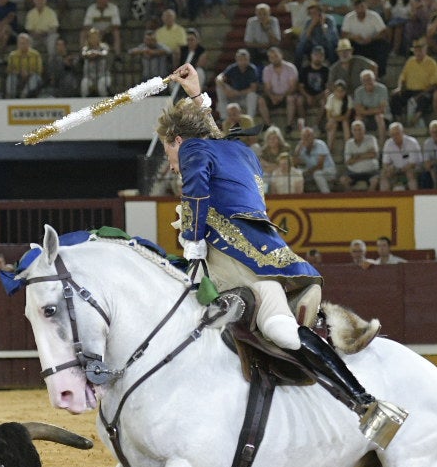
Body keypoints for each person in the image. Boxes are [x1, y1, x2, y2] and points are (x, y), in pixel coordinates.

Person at [161, 63, 405, 446]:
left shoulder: (192, 148)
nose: (170, 163)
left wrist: (193, 251)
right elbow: (210, 138)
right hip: (273, 256)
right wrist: (197, 95)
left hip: (242, 263)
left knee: (266, 327)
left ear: (176, 139)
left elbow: (195, 193)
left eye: (168, 152)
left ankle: (363, 403)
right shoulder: (235, 150)